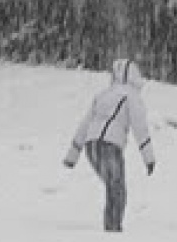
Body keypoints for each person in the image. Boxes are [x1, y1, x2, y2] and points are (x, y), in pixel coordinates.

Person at [63, 58, 155, 232]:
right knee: (117, 189)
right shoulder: (132, 96)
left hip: (91, 147)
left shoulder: (102, 95)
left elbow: (85, 124)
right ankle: (113, 230)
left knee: (112, 187)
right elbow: (140, 128)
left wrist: (72, 155)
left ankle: (110, 227)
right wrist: (149, 158)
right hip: (110, 146)